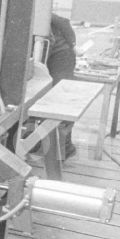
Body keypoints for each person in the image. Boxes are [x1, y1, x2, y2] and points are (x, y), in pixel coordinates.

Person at [45, 13, 78, 159]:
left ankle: (65, 147)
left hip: (61, 55)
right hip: (50, 53)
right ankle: (39, 140)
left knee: (61, 99)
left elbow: (63, 22)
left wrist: (72, 44)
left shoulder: (41, 10)